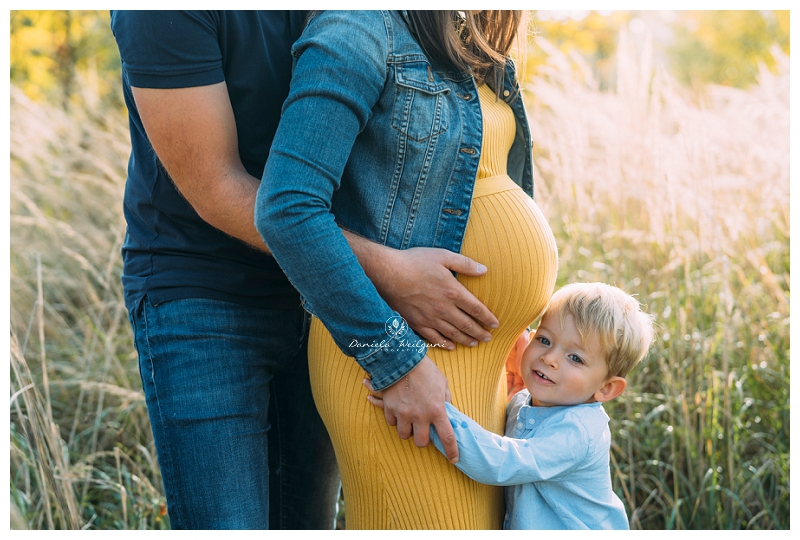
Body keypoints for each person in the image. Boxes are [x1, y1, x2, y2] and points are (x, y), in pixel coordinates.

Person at [110, 10, 503, 530]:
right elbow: (216, 187)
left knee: (307, 521)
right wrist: (390, 274)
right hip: (202, 299)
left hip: (324, 297)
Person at [255, 10, 558, 528]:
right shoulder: (356, 29)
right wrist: (395, 363)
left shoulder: (470, 37)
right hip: (401, 367)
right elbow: (287, 207)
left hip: (482, 366)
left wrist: (517, 329)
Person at [369, 282, 656, 529]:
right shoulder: (526, 401)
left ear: (607, 388)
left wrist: (432, 409)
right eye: (544, 340)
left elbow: (502, 462)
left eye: (576, 358)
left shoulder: (579, 431)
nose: (550, 358)